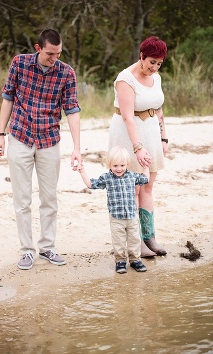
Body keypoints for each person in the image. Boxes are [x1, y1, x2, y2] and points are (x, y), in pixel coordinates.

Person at [0, 29, 82, 270]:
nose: (54, 59)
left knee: (49, 198)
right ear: (38, 48)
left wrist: (77, 148)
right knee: (22, 200)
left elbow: (72, 110)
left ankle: (47, 247)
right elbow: (8, 97)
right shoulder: (19, 64)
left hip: (49, 140)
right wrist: (0, 135)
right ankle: (27, 251)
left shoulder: (66, 73)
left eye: (58, 54)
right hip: (20, 137)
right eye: (50, 54)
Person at [108, 36, 169, 258]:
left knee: (148, 186)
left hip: (151, 133)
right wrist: (138, 148)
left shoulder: (157, 78)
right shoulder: (125, 79)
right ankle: (136, 243)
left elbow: (159, 110)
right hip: (128, 136)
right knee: (133, 189)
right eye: (151, 62)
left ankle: (149, 236)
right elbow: (127, 118)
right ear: (141, 56)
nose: (154, 67)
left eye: (159, 63)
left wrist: (164, 139)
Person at [76, 146, 149, 273]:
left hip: (132, 216)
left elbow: (145, 179)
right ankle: (120, 261)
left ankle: (135, 260)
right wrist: (82, 172)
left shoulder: (132, 176)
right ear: (109, 164)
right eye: (115, 165)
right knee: (119, 241)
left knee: (134, 239)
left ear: (127, 164)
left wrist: (146, 166)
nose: (119, 169)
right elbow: (91, 184)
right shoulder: (107, 178)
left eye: (122, 165)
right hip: (116, 217)